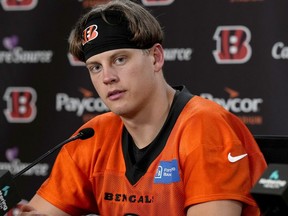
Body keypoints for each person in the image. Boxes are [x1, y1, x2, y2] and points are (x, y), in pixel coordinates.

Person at [19, 0, 267, 215]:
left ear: (156, 58)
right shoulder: (92, 136)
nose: (107, 77)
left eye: (119, 59)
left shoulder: (205, 127)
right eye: (95, 67)